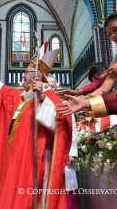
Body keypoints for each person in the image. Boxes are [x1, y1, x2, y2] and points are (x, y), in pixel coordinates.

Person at [0, 48, 72, 209]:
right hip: (18, 157)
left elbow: (60, 122)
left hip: (38, 156)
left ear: (37, 75)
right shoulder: (24, 96)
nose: (23, 75)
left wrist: (43, 98)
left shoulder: (48, 95)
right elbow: (5, 94)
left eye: (27, 72)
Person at [48, 75, 79, 209]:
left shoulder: (64, 105)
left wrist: (72, 152)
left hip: (63, 151)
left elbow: (72, 129)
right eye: (48, 85)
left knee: (66, 185)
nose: (50, 88)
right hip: (45, 153)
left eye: (53, 85)